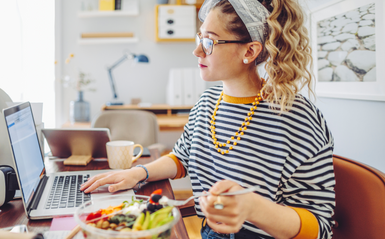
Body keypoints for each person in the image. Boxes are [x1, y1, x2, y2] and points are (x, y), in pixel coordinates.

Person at [81, 0, 335, 238]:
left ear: (250, 50)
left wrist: (255, 209)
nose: (197, 50)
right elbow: (181, 157)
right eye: (200, 37)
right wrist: (138, 173)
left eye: (210, 41)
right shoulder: (207, 103)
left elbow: (321, 226)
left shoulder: (298, 117)